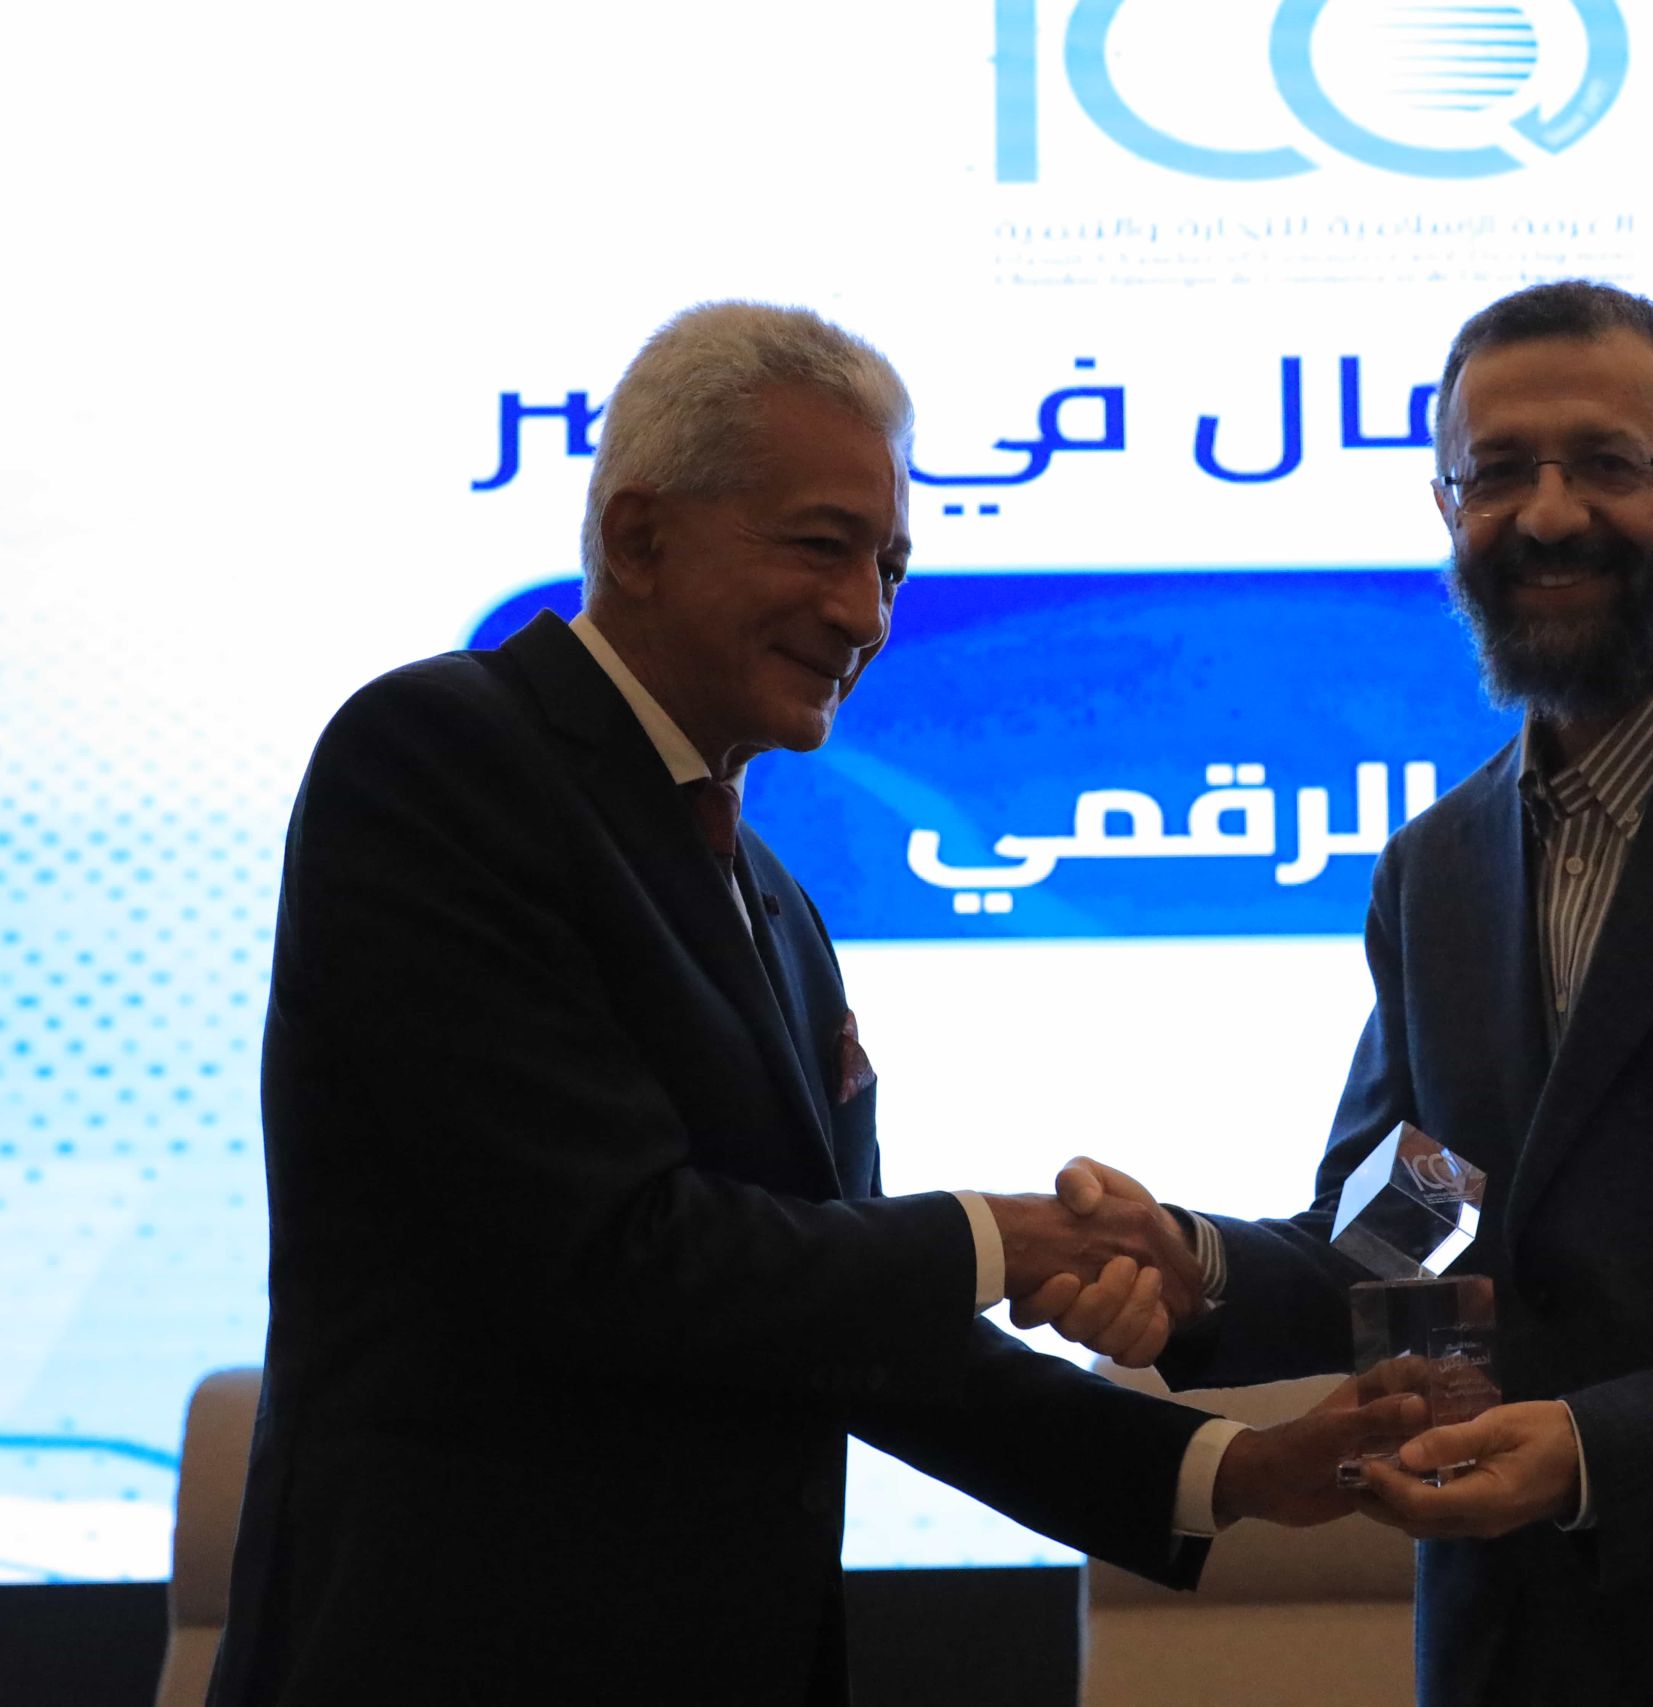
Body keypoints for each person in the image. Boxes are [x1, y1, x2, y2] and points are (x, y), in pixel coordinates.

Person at [214, 302, 1412, 1707]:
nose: (866, 615)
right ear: (639, 537)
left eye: (890, 566)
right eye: (821, 546)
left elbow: (841, 1325)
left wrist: (1235, 1470)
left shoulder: (773, 900)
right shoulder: (439, 757)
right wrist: (1001, 1238)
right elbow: (604, 1254)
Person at [1039, 280, 1653, 1705]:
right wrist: (1197, 1265)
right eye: (1500, 472)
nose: (1550, 513)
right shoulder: (1435, 869)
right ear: (1447, 511)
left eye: (1607, 465)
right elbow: (1404, 1232)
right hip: (1515, 1649)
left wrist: (1595, 1453)